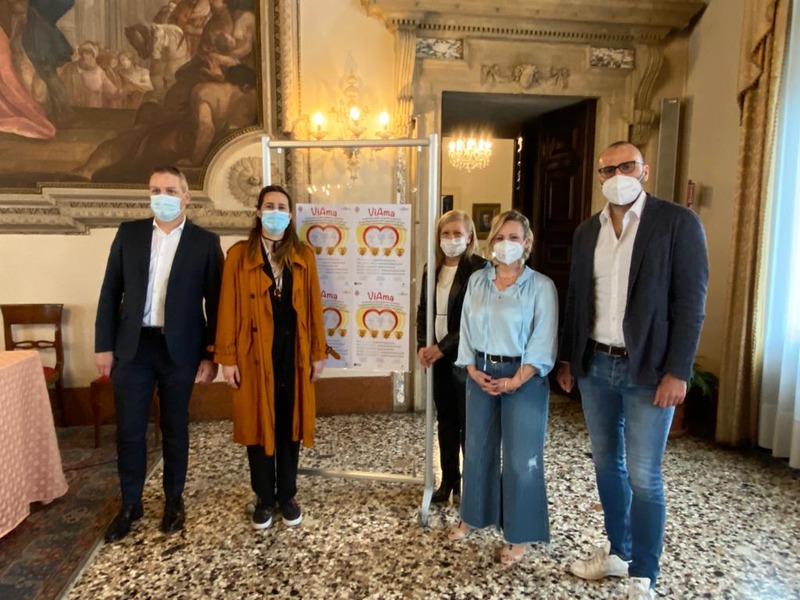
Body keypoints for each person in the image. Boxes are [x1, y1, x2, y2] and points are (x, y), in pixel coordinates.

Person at [557, 141, 708, 599]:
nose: (617, 174)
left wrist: (678, 371)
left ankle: (645, 569)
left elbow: (691, 303)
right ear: (599, 177)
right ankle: (618, 553)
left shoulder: (677, 224)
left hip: (649, 370)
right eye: (608, 168)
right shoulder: (587, 231)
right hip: (595, 365)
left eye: (627, 165)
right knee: (607, 464)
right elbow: (578, 299)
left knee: (644, 473)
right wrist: (568, 359)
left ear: (643, 170)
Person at [95, 165, 224, 542]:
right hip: (132, 348)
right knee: (130, 430)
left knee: (175, 427)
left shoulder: (205, 242)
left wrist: (210, 354)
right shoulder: (129, 234)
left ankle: (173, 500)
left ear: (186, 196)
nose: (162, 197)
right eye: (155, 190)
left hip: (180, 350)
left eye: (170, 190)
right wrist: (104, 346)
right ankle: (130, 504)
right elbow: (109, 292)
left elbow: (215, 304)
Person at [215, 184, 329, 530]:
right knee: (258, 423)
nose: (276, 211)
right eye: (269, 205)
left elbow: (313, 306)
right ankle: (264, 497)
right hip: (253, 355)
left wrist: (317, 354)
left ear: (290, 215)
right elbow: (228, 309)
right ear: (258, 211)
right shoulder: (238, 255)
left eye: (282, 206)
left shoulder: (304, 255)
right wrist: (227, 358)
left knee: (289, 422)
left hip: (292, 351)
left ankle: (288, 495)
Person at [451, 209, 558, 565]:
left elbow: (543, 339)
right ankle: (474, 516)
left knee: (519, 459)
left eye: (514, 238)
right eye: (500, 237)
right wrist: (470, 366)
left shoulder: (540, 286)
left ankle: (520, 533)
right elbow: (465, 326)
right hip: (480, 371)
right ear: (490, 242)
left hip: (523, 377)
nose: (506, 244)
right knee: (478, 450)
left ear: (526, 244)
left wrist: (517, 378)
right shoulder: (478, 281)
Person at [416, 210, 486, 504]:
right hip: (438, 360)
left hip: (466, 358)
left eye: (458, 234)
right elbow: (423, 312)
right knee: (446, 422)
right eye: (446, 234)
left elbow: (474, 319)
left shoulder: (479, 270)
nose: (452, 239)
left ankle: (472, 486)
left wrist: (440, 347)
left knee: (470, 425)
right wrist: (423, 345)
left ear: (469, 238)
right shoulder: (430, 268)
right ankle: (448, 481)